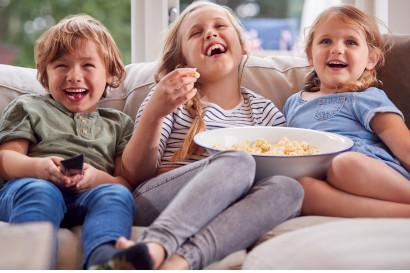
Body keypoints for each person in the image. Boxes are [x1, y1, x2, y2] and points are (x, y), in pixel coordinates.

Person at [93, 1, 304, 270]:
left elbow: (282, 166)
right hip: (160, 201)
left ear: (242, 46)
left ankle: (179, 262)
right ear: (182, 61)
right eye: (196, 32)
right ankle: (155, 245)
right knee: (238, 161)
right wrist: (154, 114)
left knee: (290, 189)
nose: (210, 34)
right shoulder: (171, 100)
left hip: (233, 206)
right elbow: (135, 173)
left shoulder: (263, 111)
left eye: (220, 26)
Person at [0, 15, 136, 269]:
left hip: (87, 196)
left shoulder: (118, 124)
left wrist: (95, 178)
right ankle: (27, 263)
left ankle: (103, 258)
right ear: (45, 75)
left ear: (109, 73)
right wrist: (39, 168)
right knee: (40, 191)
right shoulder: (29, 106)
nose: (74, 76)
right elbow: (6, 160)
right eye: (62, 66)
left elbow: (124, 183)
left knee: (115, 194)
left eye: (87, 65)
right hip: (30, 189)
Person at [283, 5, 410, 218]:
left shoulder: (366, 97)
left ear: (371, 59)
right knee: (301, 189)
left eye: (350, 42)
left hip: (369, 170)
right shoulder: (293, 103)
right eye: (326, 41)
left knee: (343, 164)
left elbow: (404, 147)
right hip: (325, 179)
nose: (337, 49)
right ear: (310, 55)